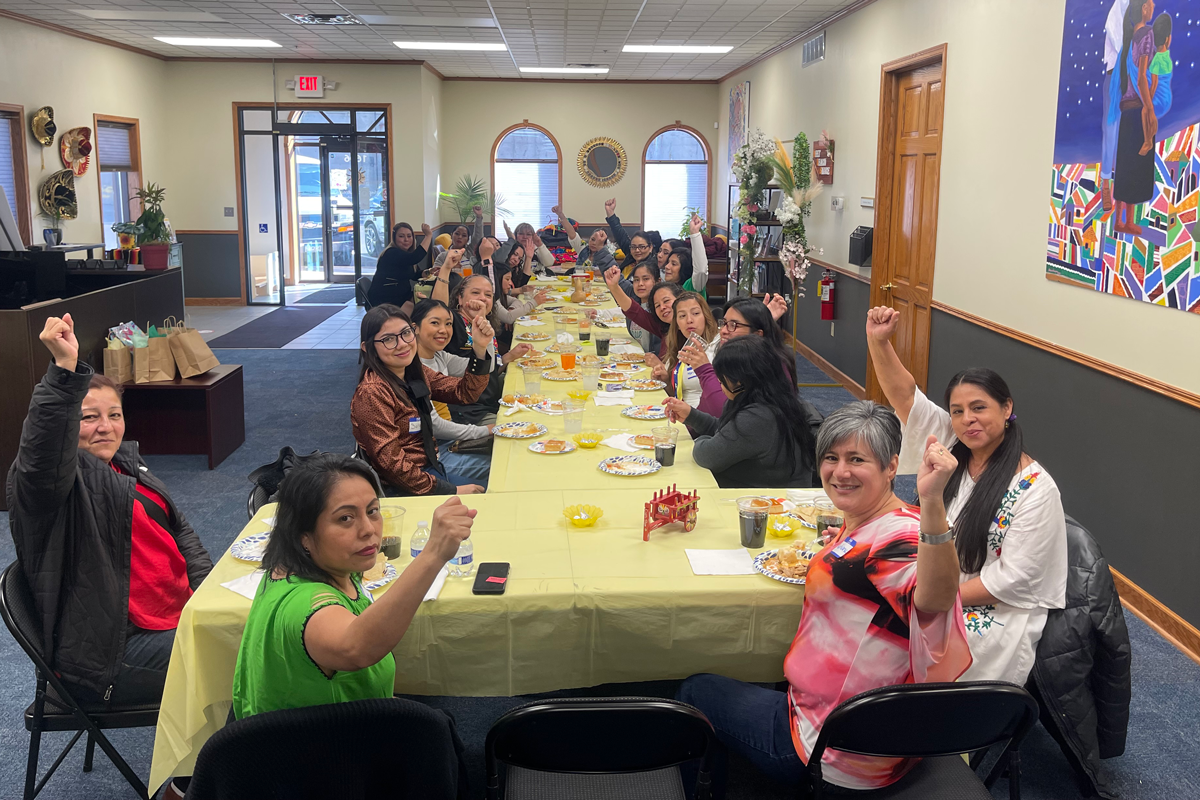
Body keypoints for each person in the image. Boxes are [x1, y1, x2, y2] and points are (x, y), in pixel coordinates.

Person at [679, 401, 970, 793]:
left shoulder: (898, 537)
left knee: (694, 690)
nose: (840, 471)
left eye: (857, 459)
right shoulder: (872, 522)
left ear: (890, 467)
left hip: (835, 749)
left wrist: (933, 502)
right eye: (831, 457)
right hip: (879, 731)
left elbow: (933, 600)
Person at [8, 315, 214, 799]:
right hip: (105, 655)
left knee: (255, 625)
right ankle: (191, 785)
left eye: (114, 414)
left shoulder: (126, 465)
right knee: (243, 656)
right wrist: (64, 369)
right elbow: (41, 454)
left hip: (167, 618)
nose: (106, 427)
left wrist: (210, 596)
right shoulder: (47, 487)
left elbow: (182, 535)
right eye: (88, 416)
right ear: (66, 425)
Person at [866, 305, 1067, 684]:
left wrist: (930, 597)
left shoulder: (1036, 489)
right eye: (957, 411)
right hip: (937, 586)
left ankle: (931, 734)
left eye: (979, 408)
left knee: (894, 636)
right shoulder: (953, 445)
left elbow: (1013, 581)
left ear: (1007, 409)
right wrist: (878, 342)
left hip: (996, 613)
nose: (967, 419)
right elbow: (905, 396)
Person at [232, 455, 475, 719]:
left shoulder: (308, 568)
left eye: (372, 511)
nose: (369, 529)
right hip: (326, 752)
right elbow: (356, 648)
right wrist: (434, 554)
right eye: (346, 518)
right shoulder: (307, 603)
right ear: (303, 536)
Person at [352, 304, 490, 495]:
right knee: (490, 490)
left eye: (405, 333)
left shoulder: (412, 372)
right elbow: (392, 466)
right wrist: (450, 490)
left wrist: (480, 349)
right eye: (388, 339)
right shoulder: (372, 392)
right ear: (368, 348)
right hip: (404, 487)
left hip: (430, 467)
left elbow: (464, 393)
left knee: (502, 471)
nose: (402, 344)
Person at [663, 336, 814, 488]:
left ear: (740, 382)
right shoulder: (772, 397)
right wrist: (691, 415)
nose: (719, 383)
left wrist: (700, 439)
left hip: (768, 502)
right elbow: (727, 431)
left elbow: (707, 455)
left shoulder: (758, 417)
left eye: (722, 379)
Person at [413, 299, 494, 485]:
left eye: (448, 324)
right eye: (435, 323)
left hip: (446, 442)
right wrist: (482, 431)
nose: (444, 330)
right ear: (414, 328)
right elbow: (434, 425)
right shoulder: (411, 367)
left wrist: (481, 344)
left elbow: (483, 368)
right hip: (430, 454)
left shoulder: (439, 356)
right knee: (501, 468)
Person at [1111, 0, 1157, 235]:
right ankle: (1126, 222)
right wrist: (1149, 108)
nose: (1154, 4)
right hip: (1139, 106)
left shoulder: (1129, 39)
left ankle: (1121, 221)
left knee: (1125, 164)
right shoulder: (1148, 35)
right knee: (1135, 165)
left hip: (1126, 108)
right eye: (1150, 3)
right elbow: (1141, 78)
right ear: (1144, 9)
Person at [649, 291, 719, 409]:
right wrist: (665, 380)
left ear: (706, 316)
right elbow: (678, 395)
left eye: (696, 313)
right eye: (682, 316)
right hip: (683, 418)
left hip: (706, 420)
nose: (689, 320)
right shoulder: (680, 348)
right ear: (677, 324)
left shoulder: (718, 345)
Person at [603, 264, 679, 360]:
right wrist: (614, 287)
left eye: (666, 301)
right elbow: (633, 311)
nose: (663, 307)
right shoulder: (662, 327)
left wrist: (661, 365)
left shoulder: (690, 330)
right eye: (657, 306)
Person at [367, 222, 431, 310]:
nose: (406, 239)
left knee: (425, 303)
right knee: (418, 309)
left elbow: (416, 275)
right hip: (385, 300)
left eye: (409, 236)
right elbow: (415, 258)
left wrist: (430, 272)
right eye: (401, 236)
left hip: (402, 296)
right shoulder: (391, 253)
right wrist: (428, 236)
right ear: (394, 238)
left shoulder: (406, 254)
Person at [603, 197, 661, 274]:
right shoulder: (631, 256)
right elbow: (620, 235)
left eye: (642, 247)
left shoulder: (651, 267)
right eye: (633, 247)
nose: (637, 250)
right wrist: (610, 213)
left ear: (650, 247)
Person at [551, 204, 615, 273]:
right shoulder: (582, 248)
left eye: (598, 241)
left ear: (604, 245)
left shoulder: (607, 257)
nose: (594, 243)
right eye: (593, 239)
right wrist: (560, 214)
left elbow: (608, 273)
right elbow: (571, 233)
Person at [657, 213, 709, 295]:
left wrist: (694, 233)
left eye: (674, 264)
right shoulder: (666, 288)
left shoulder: (692, 286)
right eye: (668, 262)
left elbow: (701, 271)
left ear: (684, 268)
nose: (667, 266)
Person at [625, 261, 662, 354]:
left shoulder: (659, 311)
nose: (640, 284)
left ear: (658, 281)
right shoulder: (635, 304)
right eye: (636, 280)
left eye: (646, 279)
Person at [432, 206, 484, 271]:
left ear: (467, 240)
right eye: (457, 234)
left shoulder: (470, 252)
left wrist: (479, 217)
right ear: (451, 235)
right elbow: (434, 273)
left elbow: (478, 236)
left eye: (464, 235)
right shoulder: (443, 256)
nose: (460, 237)